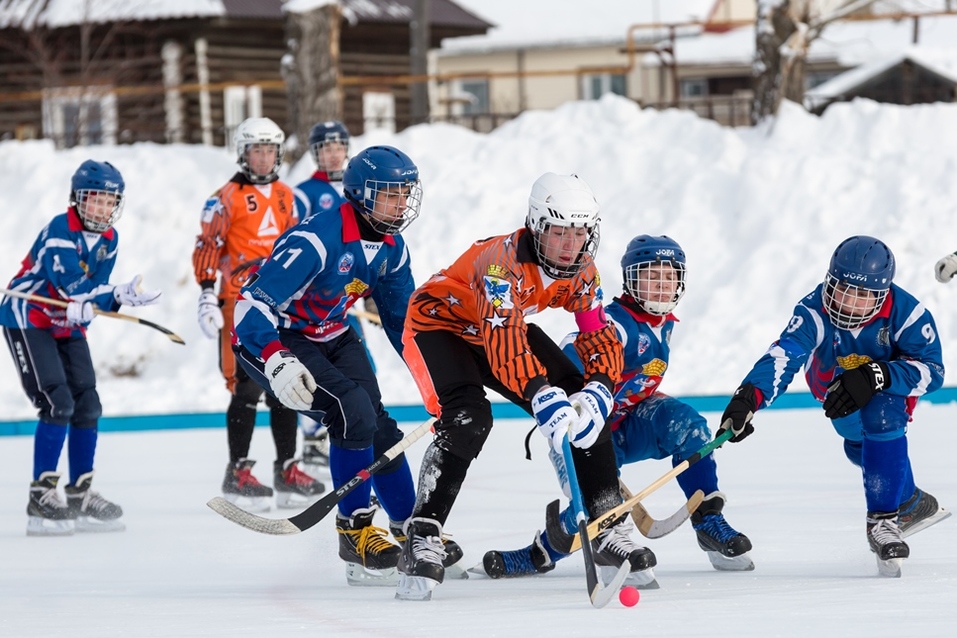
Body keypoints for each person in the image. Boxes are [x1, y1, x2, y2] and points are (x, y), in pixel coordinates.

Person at [396, 172, 651, 601]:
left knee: (584, 401)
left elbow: (597, 332)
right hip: (438, 325)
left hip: (499, 327)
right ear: (536, 227)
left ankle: (607, 518)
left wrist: (600, 388)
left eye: (580, 234)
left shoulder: (583, 271)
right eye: (559, 234)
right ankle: (422, 533)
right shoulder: (501, 265)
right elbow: (505, 342)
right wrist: (540, 394)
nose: (570, 246)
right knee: (468, 418)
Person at [232, 145, 453, 586]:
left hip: (333, 332)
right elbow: (249, 307)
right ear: (361, 194)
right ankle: (354, 534)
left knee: (382, 428)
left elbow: (402, 323)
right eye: (391, 194)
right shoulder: (318, 238)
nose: (402, 203)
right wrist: (277, 359)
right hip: (280, 338)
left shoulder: (393, 247)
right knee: (352, 410)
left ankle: (411, 529)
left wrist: (443, 378)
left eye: (405, 193)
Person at [484, 235, 753, 581]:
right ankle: (539, 554)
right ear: (630, 281)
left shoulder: (664, 324)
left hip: (630, 423)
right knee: (595, 505)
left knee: (689, 425)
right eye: (650, 277)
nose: (660, 286)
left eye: (669, 278)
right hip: (585, 435)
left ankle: (709, 521)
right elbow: (568, 353)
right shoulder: (615, 324)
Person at [718, 235, 949, 573]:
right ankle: (911, 501)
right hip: (834, 397)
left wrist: (877, 374)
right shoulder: (813, 311)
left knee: (880, 416)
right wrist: (749, 396)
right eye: (843, 288)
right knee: (859, 446)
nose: (848, 302)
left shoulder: (909, 313)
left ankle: (883, 521)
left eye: (862, 294)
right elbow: (785, 356)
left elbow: (933, 372)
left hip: (887, 393)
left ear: (882, 294)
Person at [0, 159, 162, 536]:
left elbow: (88, 299)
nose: (103, 209)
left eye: (110, 201)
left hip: (65, 323)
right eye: (95, 200)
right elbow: (75, 287)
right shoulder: (60, 229)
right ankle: (41, 497)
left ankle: (79, 494)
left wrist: (97, 305)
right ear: (77, 199)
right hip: (29, 317)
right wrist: (114, 296)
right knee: (58, 402)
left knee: (87, 403)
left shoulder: (110, 240)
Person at [192, 116, 324, 512]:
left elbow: (300, 246)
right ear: (243, 153)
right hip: (238, 301)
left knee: (284, 384)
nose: (264, 158)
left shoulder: (288, 196)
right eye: (256, 150)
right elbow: (208, 245)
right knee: (246, 388)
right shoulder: (223, 198)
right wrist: (204, 293)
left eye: (270, 150)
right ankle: (238, 473)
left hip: (279, 304)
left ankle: (287, 469)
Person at [291, 120, 377, 471]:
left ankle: (349, 430)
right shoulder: (303, 193)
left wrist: (371, 292)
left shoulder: (362, 188)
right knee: (314, 369)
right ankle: (312, 438)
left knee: (360, 364)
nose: (333, 153)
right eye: (326, 147)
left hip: (349, 293)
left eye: (338, 146)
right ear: (315, 152)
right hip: (314, 297)